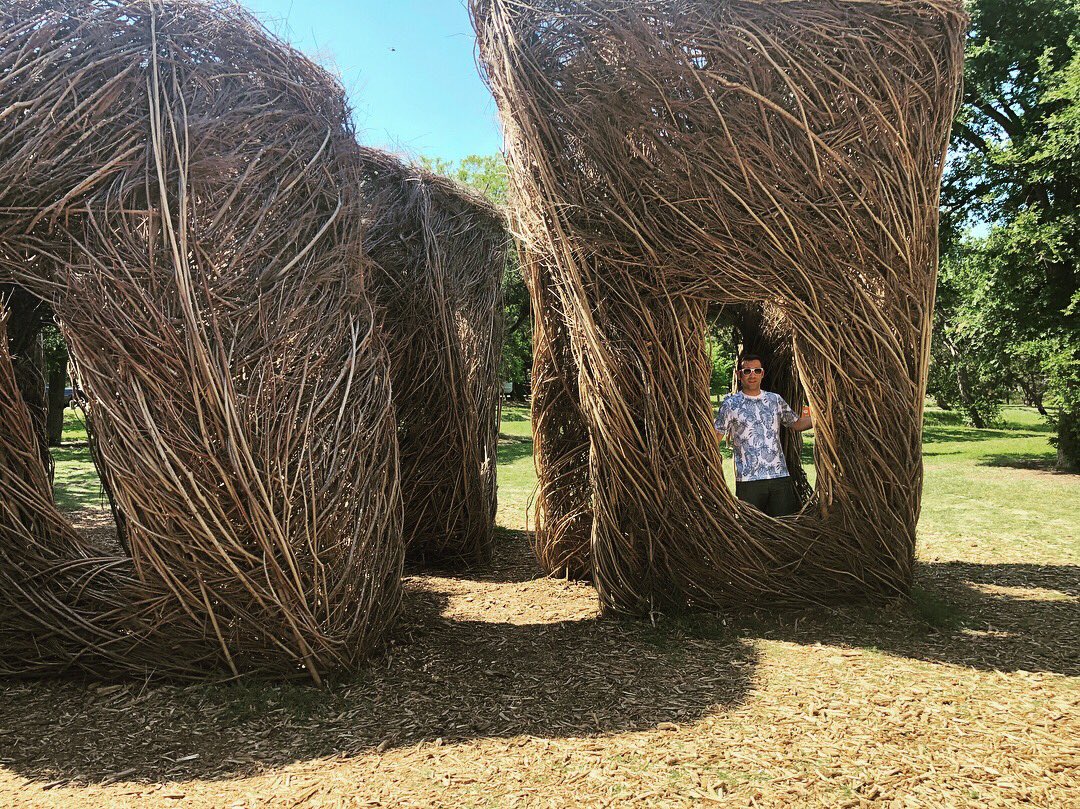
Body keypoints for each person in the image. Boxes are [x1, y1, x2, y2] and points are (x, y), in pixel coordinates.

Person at [714, 353, 813, 517]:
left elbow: (796, 423)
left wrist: (820, 418)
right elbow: (717, 435)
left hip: (778, 475)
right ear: (739, 375)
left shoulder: (775, 400)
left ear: (762, 373)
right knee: (752, 530)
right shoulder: (730, 404)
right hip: (748, 480)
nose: (752, 375)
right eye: (747, 371)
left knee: (784, 526)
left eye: (756, 370)